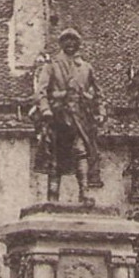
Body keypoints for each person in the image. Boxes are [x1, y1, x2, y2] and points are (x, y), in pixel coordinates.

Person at [30, 28, 104, 202]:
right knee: (55, 155)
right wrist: (46, 109)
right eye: (66, 40)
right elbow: (40, 91)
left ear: (78, 44)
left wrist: (101, 112)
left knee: (81, 152)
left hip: (80, 117)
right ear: (61, 43)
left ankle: (84, 192)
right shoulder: (52, 65)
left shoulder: (86, 68)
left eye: (74, 41)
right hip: (58, 116)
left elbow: (99, 94)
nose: (70, 44)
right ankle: (53, 195)